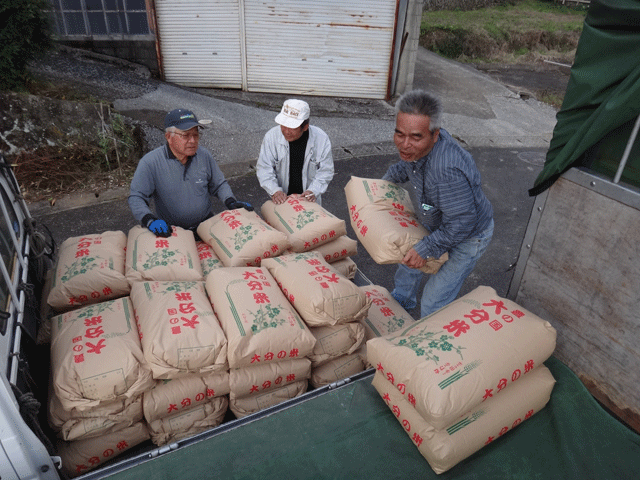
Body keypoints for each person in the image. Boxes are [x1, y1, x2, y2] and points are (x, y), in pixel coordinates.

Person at [382, 90, 494, 317]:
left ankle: (428, 340)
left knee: (434, 300)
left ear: (435, 135)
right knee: (407, 262)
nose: (404, 145)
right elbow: (404, 166)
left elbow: (463, 222)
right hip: (438, 216)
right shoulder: (416, 151)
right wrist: (377, 187)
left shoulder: (446, 171)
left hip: (469, 234)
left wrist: (426, 248)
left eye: (415, 137)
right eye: (399, 134)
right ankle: (401, 304)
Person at [128, 108, 253, 237]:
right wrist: (149, 220)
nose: (192, 141)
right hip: (171, 231)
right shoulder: (150, 163)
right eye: (185, 135)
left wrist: (230, 201)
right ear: (169, 137)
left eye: (195, 134)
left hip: (206, 226)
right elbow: (137, 197)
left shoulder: (204, 156)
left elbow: (219, 184)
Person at [256, 99, 334, 206]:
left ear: (305, 127)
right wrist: (275, 191)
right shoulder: (271, 137)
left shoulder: (321, 139)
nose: (286, 131)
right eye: (283, 125)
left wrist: (313, 190)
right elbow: (264, 168)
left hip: (309, 201)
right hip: (281, 201)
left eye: (292, 127)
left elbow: (326, 171)